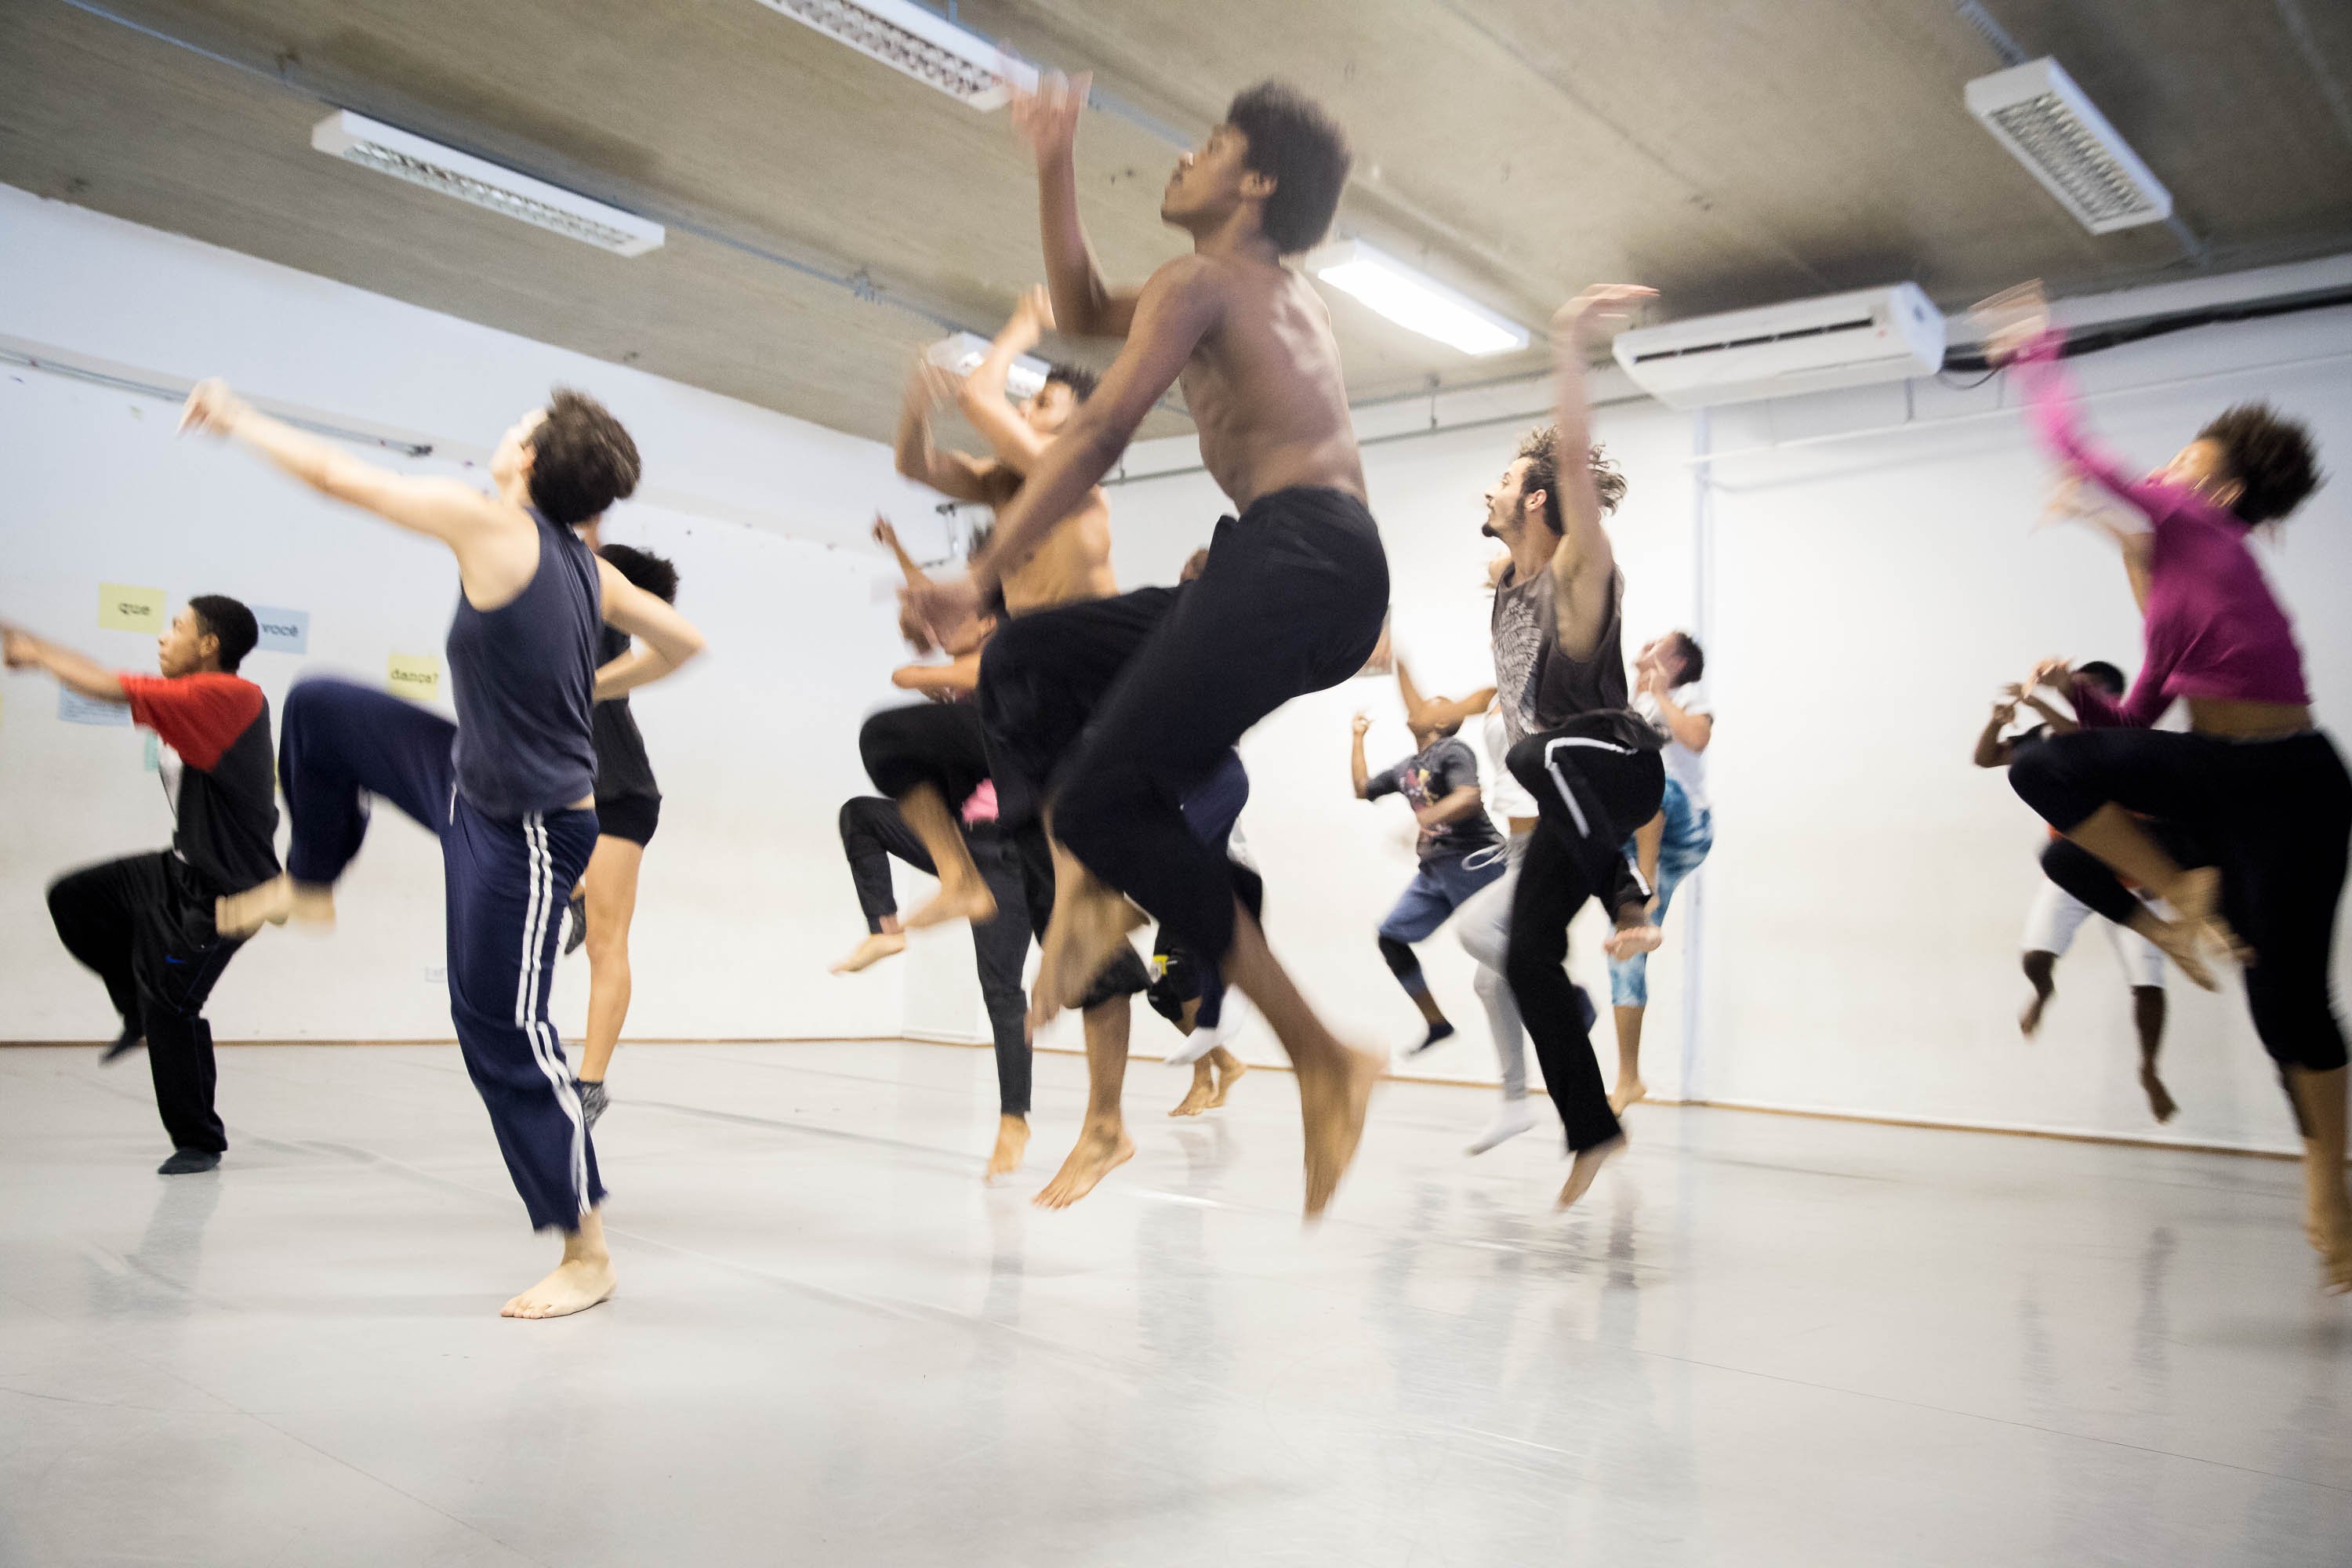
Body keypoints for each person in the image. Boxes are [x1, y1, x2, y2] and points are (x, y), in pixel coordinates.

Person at [903, 74, 1391, 1217]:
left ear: (1256, 181)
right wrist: (1052, 158)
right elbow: (1076, 300)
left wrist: (976, 578)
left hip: (1298, 556)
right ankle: (1085, 889)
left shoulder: (1205, 279)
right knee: (1028, 662)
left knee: (1098, 796)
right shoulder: (1240, 283)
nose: (1182, 158)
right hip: (1298, 564)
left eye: (1210, 144)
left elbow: (1100, 435)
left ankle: (1320, 1053)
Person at [179, 379, 706, 1319]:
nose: (507, 428)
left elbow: (342, 479)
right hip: (465, 775)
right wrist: (598, 682)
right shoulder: (581, 561)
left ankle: (587, 1250)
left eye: (523, 426)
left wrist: (239, 417)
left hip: (534, 828)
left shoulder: (498, 527)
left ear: (532, 461)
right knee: (323, 710)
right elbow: (683, 644)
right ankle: (310, 884)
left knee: (501, 1028)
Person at [1980, 280, 2347, 1291]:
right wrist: (2068, 695)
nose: (2169, 466)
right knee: (2053, 783)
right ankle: (2181, 901)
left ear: (2219, 491)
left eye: (2188, 458)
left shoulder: (2203, 525)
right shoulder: (2186, 574)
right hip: (2227, 776)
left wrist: (2034, 349)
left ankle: (2329, 1179)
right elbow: (2136, 720)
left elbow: (2079, 451)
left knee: (2291, 1007)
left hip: (2294, 783)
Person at [879, 314, 1152, 1189]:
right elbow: (916, 464)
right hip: (1017, 702)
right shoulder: (1006, 492)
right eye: (1028, 404)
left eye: (1046, 405)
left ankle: (1107, 1121)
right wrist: (915, 408)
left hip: (1085, 695)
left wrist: (1013, 337)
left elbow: (978, 395)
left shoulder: (1075, 481)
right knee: (891, 739)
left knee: (1088, 915)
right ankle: (961, 876)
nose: (1029, 416)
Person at [1480, 285, 1668, 1211]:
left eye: (1506, 478)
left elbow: (1579, 492)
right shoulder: (1508, 581)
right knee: (1522, 962)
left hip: (1617, 765)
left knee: (1534, 753)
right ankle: (1592, 1125)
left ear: (1541, 497)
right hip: (1564, 797)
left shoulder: (1577, 568)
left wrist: (1568, 347)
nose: (1491, 488)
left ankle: (1630, 897)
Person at [5, 598, 277, 1174]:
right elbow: (109, 682)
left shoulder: (231, 698)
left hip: (227, 894)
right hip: (177, 870)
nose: (162, 637)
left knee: (174, 1005)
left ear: (209, 645)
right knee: (75, 899)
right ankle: (134, 1002)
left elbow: (109, 688)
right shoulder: (189, 700)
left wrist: (36, 653)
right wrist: (38, 648)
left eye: (176, 627)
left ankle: (200, 1141)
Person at [1973, 663, 2177, 1123]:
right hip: (2072, 871)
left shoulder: (2129, 738)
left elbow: (2084, 736)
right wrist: (1997, 721)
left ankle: (2149, 1070)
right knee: (2035, 959)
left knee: (2147, 982)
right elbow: (1985, 759)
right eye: (2077, 691)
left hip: (2133, 875)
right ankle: (2043, 993)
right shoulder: (2048, 735)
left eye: (2088, 693)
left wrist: (2039, 701)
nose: (2077, 697)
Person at [559, 539, 682, 1130]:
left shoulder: (606, 622)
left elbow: (583, 550)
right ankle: (576, 894)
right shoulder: (569, 621)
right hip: (570, 793)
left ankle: (591, 1084)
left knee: (608, 945)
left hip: (620, 798)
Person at [1350, 661, 1505, 1056]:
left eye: (1430, 705)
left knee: (1503, 952)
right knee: (1391, 937)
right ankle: (1437, 1022)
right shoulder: (1407, 768)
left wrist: (1423, 819)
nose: (1415, 707)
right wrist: (1357, 738)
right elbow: (1363, 789)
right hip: (1436, 869)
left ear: (1440, 721)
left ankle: (1570, 999)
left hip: (1475, 861)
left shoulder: (1453, 750)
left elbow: (1469, 796)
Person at [1605, 630, 1716, 1113]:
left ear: (1676, 661)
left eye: (1657, 645)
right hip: (1647, 835)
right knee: (1625, 952)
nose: (1645, 648)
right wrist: (1637, 689)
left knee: (1650, 782)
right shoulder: (1640, 703)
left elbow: (1695, 738)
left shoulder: (1691, 697)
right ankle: (1629, 1077)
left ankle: (1642, 893)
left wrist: (1660, 693)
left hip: (1686, 827)